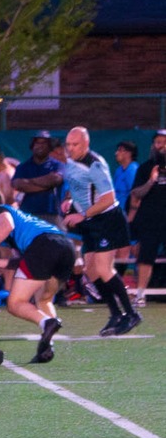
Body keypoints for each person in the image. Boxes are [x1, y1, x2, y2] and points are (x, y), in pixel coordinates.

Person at [0, 187, 77, 362]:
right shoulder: (22, 220)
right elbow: (25, 262)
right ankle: (46, 346)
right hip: (65, 247)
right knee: (43, 299)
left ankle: (47, 323)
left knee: (15, 303)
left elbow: (6, 226)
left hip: (43, 245)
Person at [59, 126, 139, 335]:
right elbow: (76, 186)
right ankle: (115, 314)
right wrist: (69, 201)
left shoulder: (95, 164)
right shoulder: (71, 162)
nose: (71, 148)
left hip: (107, 219)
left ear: (86, 144)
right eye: (68, 144)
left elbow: (108, 198)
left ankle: (131, 314)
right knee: (90, 270)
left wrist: (82, 215)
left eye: (75, 144)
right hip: (91, 220)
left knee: (104, 268)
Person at [128, 130, 166, 308]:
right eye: (158, 142)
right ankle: (141, 294)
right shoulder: (145, 168)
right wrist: (151, 181)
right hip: (150, 221)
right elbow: (136, 193)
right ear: (153, 145)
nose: (162, 146)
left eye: (165, 142)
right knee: (145, 258)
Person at [11, 132, 64, 219]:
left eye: (44, 143)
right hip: (27, 213)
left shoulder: (57, 165)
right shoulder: (23, 167)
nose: (40, 146)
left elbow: (55, 179)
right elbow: (17, 184)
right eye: (37, 143)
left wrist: (29, 181)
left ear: (50, 146)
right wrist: (46, 186)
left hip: (52, 213)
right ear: (32, 145)